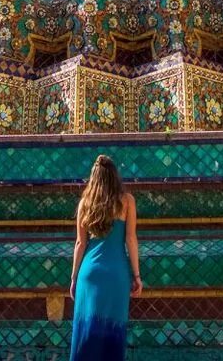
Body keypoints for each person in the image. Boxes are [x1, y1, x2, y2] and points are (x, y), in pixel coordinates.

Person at [69, 154, 143, 360]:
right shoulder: (127, 201)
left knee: (86, 330)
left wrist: (74, 277)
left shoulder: (86, 203)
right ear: (114, 176)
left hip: (89, 274)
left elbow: (80, 243)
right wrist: (137, 276)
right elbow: (130, 239)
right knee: (113, 330)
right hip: (116, 273)